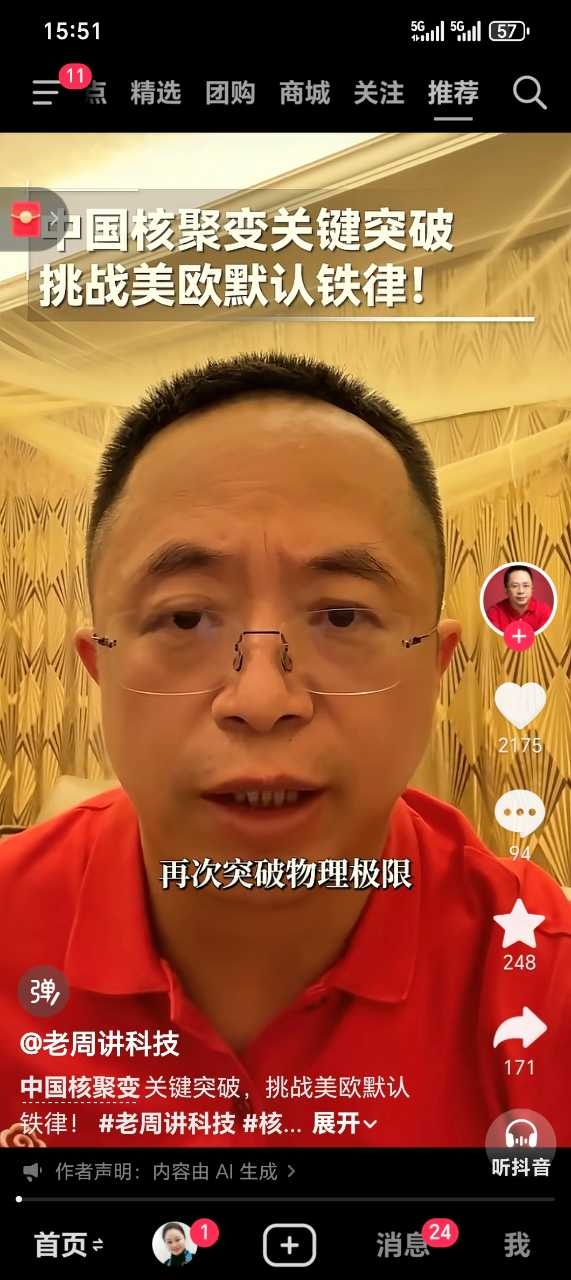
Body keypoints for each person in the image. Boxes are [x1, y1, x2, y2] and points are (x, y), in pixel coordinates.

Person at [0, 352, 569, 1150]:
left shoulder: (537, 976)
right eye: (185, 618)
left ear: (432, 670)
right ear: (101, 670)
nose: (262, 700)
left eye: (341, 616)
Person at [486, 565, 552, 632]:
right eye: (515, 586)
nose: (521, 591)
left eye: (526, 586)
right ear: (506, 590)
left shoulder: (544, 611)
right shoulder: (494, 613)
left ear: (532, 588)